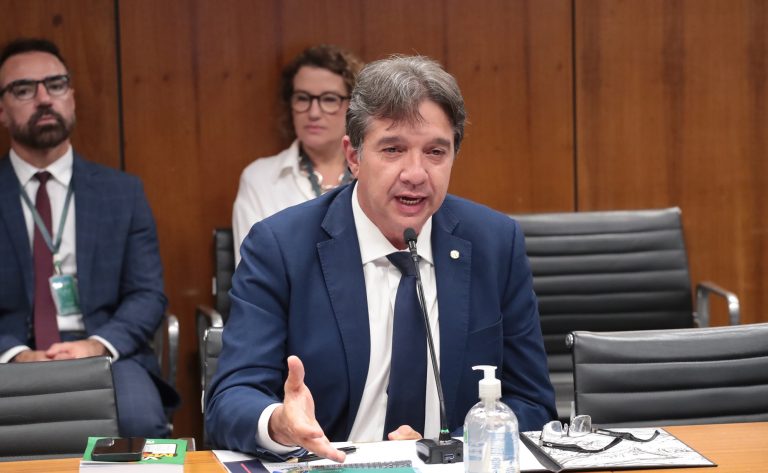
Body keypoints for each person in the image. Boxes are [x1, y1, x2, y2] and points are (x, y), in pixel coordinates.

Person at [206, 55, 556, 460]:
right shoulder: (280, 247)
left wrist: (448, 451)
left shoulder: (495, 243)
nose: (416, 173)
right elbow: (231, 399)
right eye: (393, 149)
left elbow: (532, 403)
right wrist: (279, 423)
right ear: (353, 157)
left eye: (435, 152)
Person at [0, 38, 178, 438]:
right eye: (24, 89)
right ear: (2, 109)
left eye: (56, 85)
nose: (44, 99)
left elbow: (147, 294)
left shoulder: (122, 193)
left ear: (73, 97)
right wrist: (16, 354)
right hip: (9, 355)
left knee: (141, 424)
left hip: (106, 352)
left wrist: (96, 345)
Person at [232, 44, 363, 264]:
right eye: (303, 98)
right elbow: (253, 270)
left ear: (352, 106)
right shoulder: (260, 179)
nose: (313, 112)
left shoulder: (375, 173)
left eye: (329, 99)